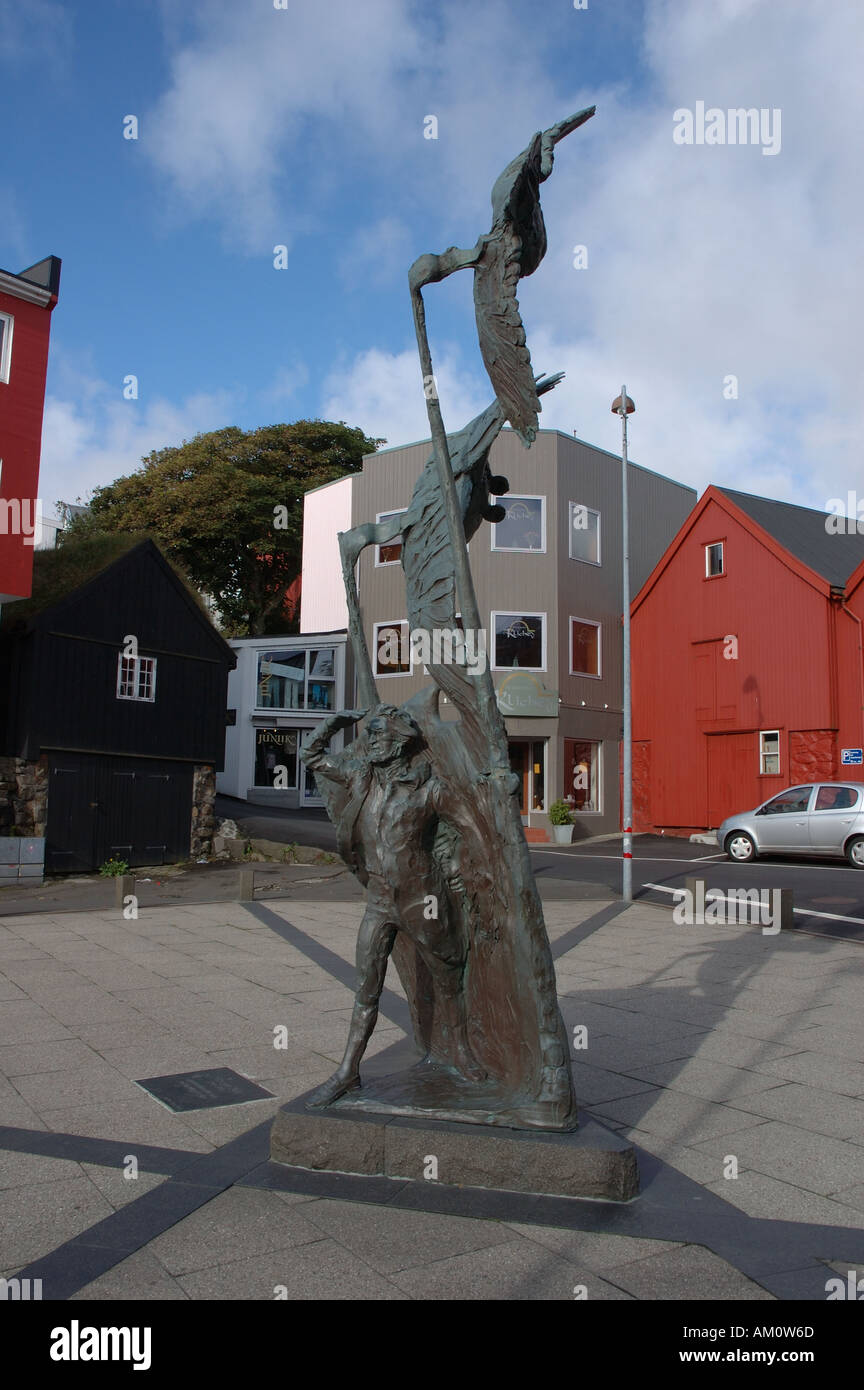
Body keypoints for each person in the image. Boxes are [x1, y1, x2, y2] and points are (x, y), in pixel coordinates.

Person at [300, 704, 489, 1106]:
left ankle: (461, 1054)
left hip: (424, 900)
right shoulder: (359, 777)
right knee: (365, 989)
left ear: (401, 743)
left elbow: (472, 828)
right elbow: (311, 756)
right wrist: (334, 723)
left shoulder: (430, 788)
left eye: (379, 736)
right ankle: (348, 1070)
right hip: (379, 902)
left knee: (448, 978)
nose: (371, 743)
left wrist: (457, 862)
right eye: (369, 736)